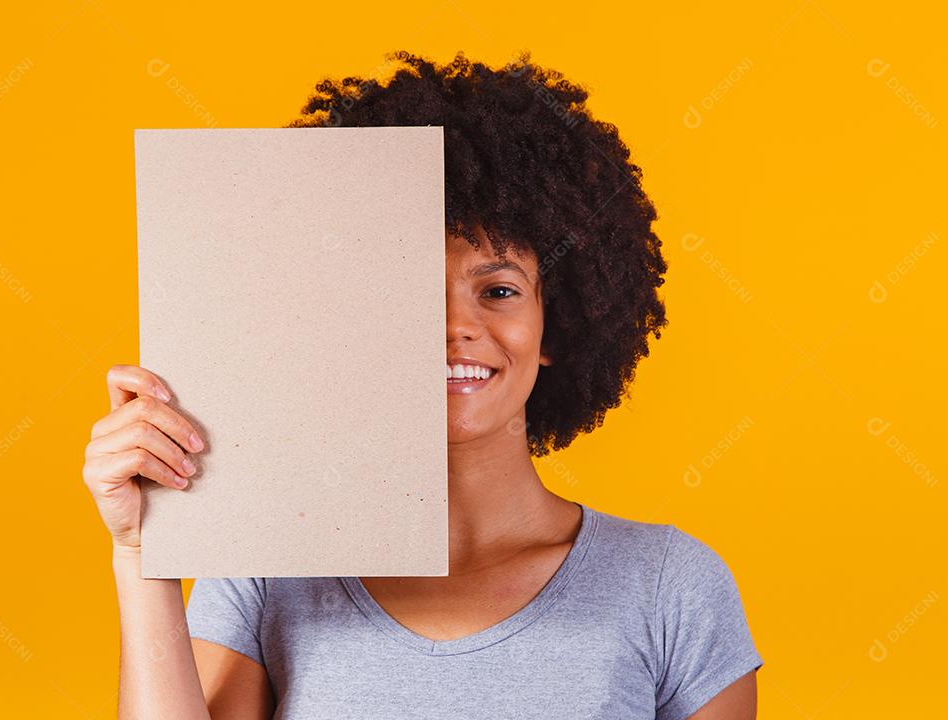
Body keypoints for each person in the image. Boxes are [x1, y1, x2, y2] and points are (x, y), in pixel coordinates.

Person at [83, 50, 763, 719]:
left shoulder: (670, 587)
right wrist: (139, 553)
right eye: (408, 290)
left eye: (498, 289)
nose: (454, 326)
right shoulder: (265, 575)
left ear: (557, 328)